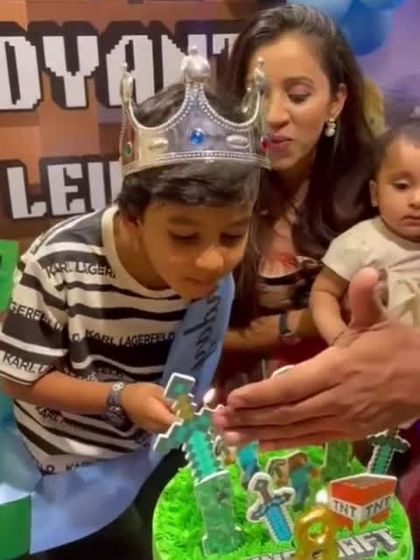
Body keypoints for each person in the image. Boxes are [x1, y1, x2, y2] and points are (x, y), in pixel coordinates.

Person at [0, 50, 267, 559]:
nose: (213, 261)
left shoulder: (211, 276)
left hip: (153, 449)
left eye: (234, 234)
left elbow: (193, 364)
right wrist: (119, 397)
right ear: (132, 220)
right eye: (184, 236)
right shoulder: (58, 265)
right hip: (65, 466)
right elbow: (17, 378)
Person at [217, 4, 376, 392]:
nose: (274, 115)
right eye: (256, 93)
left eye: (298, 95)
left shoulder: (382, 189)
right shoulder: (215, 190)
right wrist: (301, 323)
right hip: (234, 408)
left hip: (356, 404)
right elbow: (185, 336)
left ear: (336, 101)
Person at [311, 120, 420, 346]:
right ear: (375, 194)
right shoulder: (360, 243)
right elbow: (323, 293)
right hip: (372, 352)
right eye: (402, 186)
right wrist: (341, 339)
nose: (416, 200)